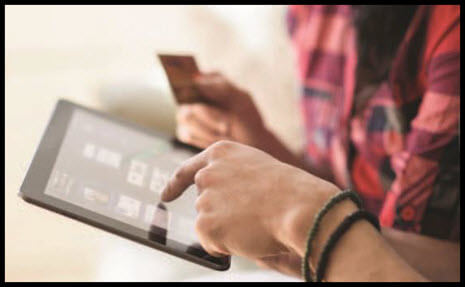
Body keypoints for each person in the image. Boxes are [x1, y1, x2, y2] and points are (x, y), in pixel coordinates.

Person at [165, 5, 460, 281]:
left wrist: (296, 218)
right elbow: (341, 191)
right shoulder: (314, 14)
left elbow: (416, 260)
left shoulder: (449, 32)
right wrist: (258, 144)